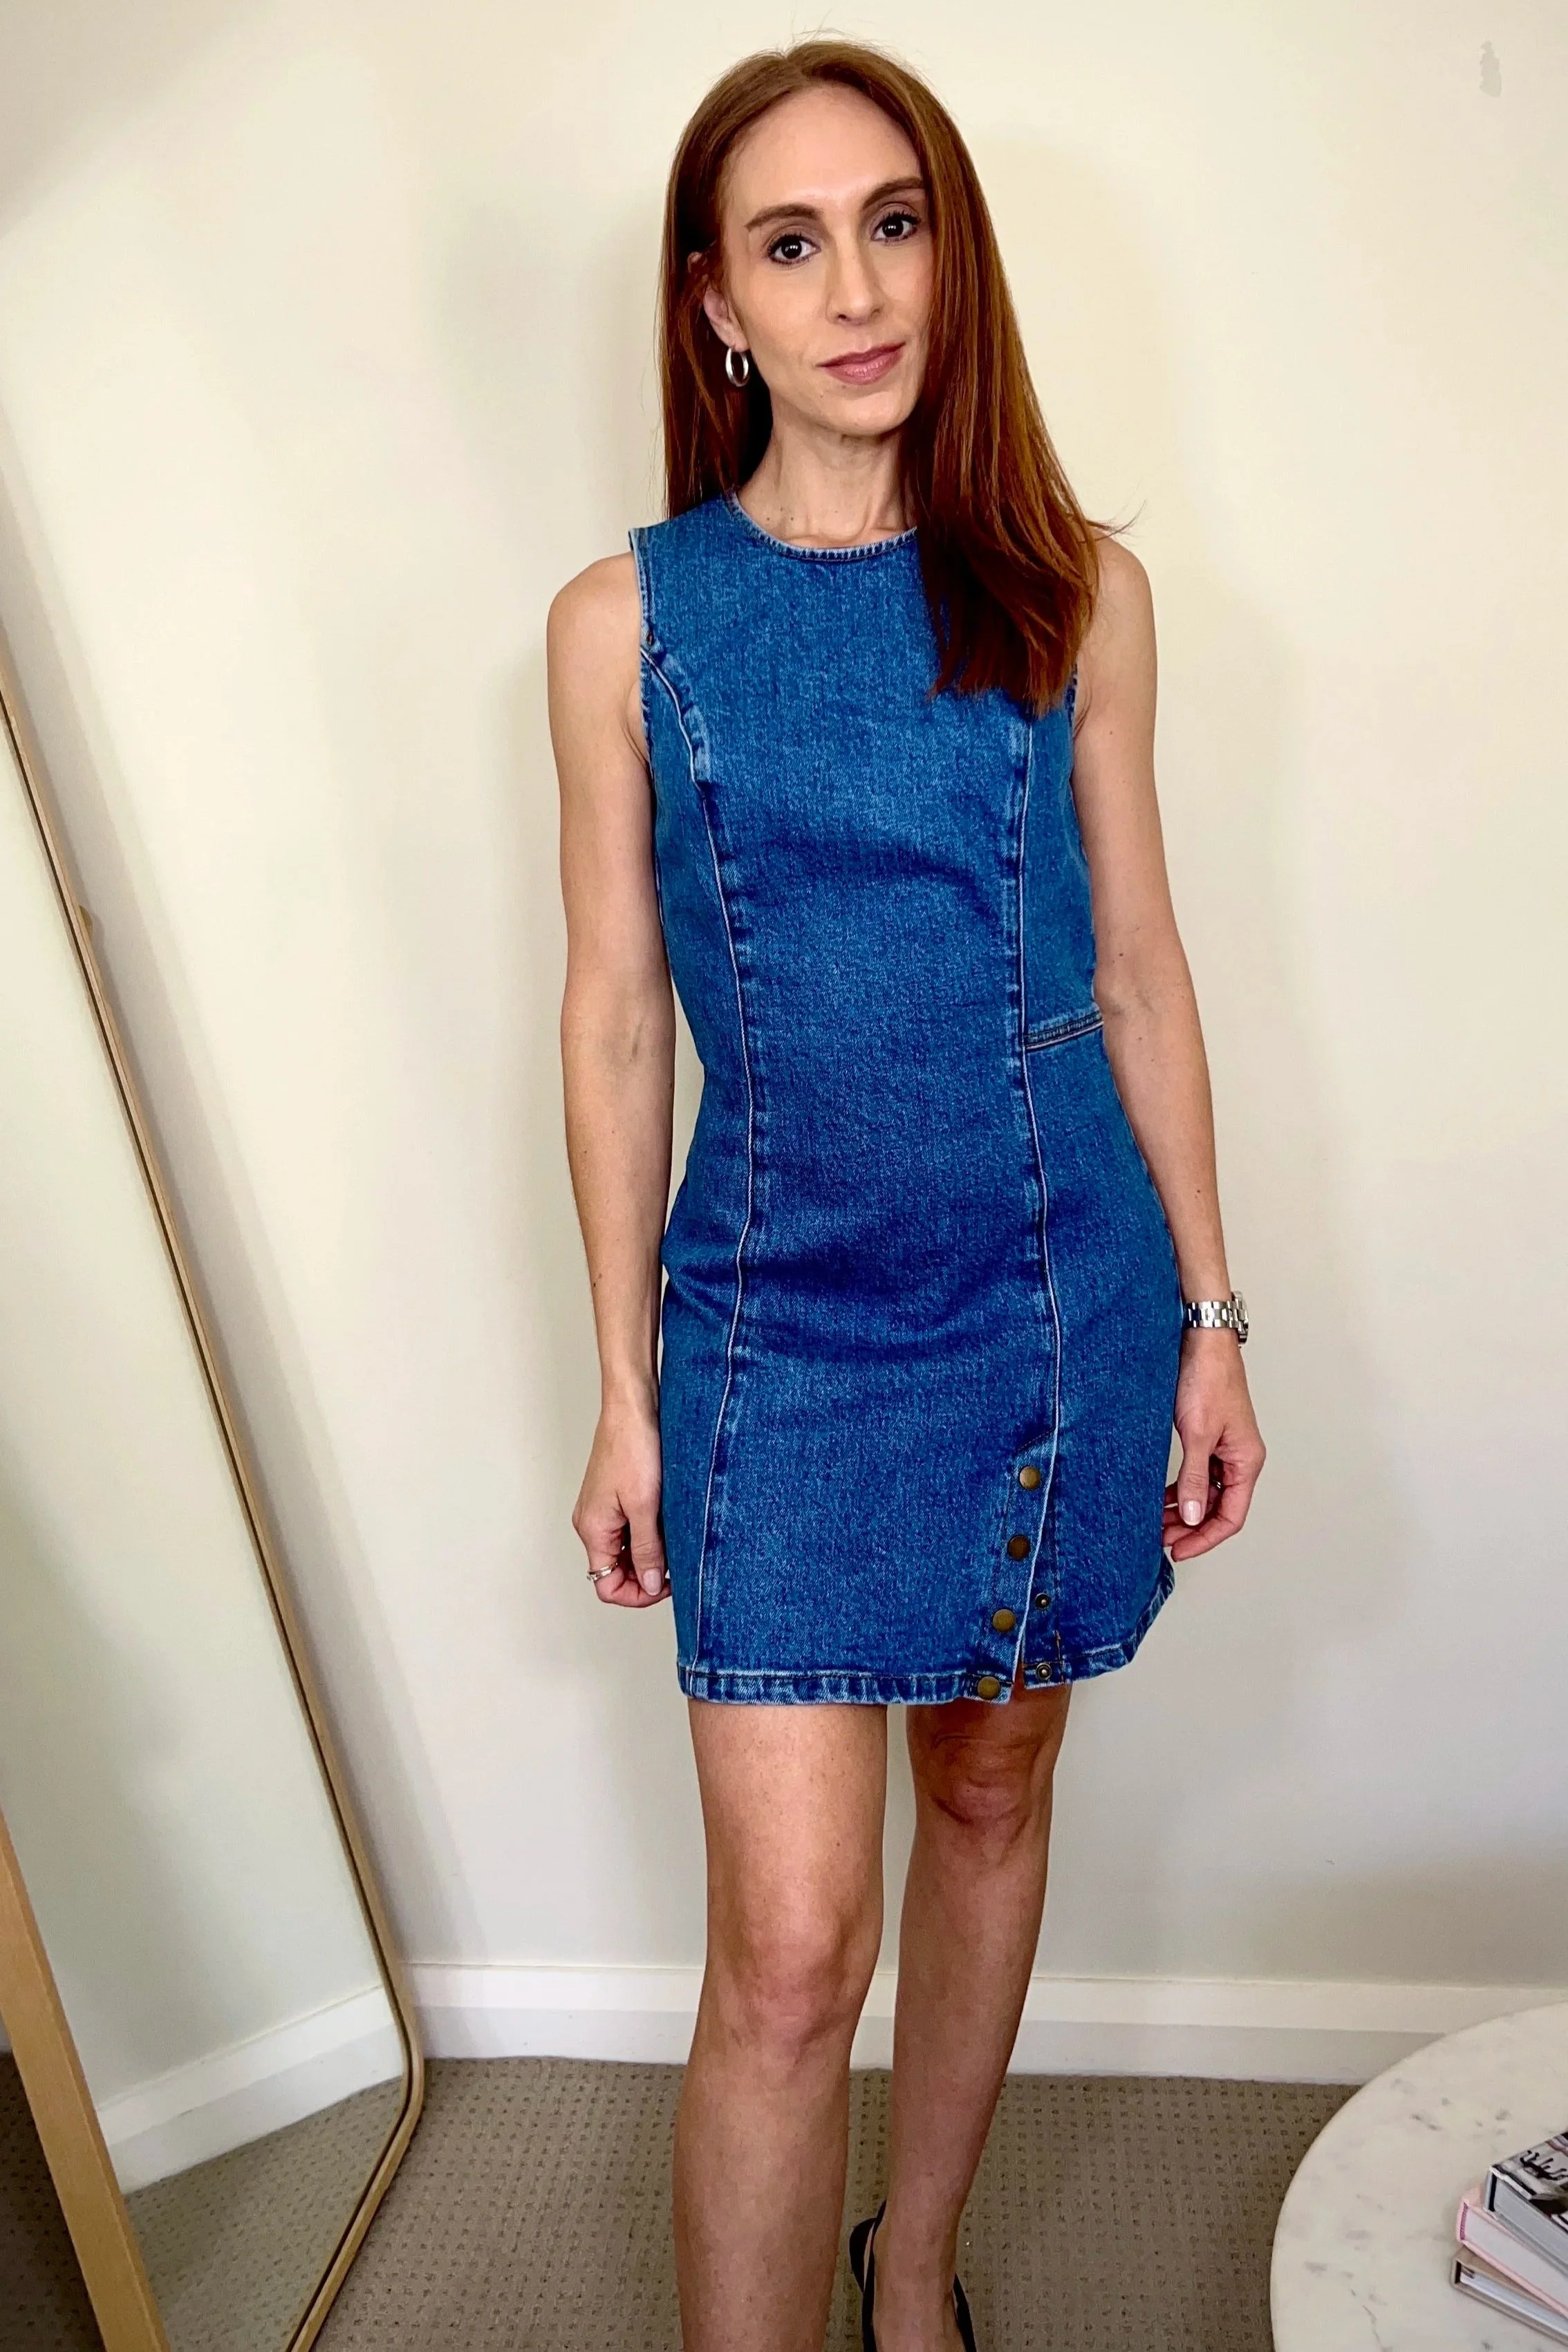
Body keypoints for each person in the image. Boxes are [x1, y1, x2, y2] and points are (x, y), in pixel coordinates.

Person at [548, 36, 1265, 2352]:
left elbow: (1138, 970)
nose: (854, 289)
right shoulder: (623, 625)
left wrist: (1213, 1320)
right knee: (783, 1956)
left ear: (951, 258)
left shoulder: (1074, 593)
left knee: (987, 1799)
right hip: (777, 1339)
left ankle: (918, 2270)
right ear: (714, 302)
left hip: (1054, 1303)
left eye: (893, 224)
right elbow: (615, 1021)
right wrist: (623, 1389)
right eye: (790, 243)